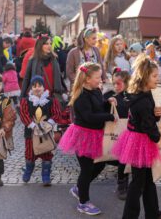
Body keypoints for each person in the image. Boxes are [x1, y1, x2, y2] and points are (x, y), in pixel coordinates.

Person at [111, 55, 161, 219]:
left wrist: (156, 116)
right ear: (145, 77)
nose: (158, 78)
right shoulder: (142, 100)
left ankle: (153, 212)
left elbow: (147, 118)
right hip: (141, 141)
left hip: (140, 139)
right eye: (154, 75)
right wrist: (157, 137)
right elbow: (147, 125)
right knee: (138, 183)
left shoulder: (144, 94)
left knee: (147, 179)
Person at [59, 62, 116, 215]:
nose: (101, 79)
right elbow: (89, 116)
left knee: (100, 164)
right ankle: (83, 202)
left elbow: (98, 105)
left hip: (95, 135)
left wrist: (107, 102)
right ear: (87, 79)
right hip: (83, 136)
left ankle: (79, 188)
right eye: (97, 77)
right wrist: (109, 116)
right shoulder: (80, 96)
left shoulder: (96, 90)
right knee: (86, 169)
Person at [19, 75, 62, 186]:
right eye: (34, 86)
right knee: (30, 152)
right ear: (31, 88)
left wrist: (49, 124)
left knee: (47, 152)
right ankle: (28, 170)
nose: (37, 88)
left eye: (40, 86)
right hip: (31, 133)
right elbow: (24, 115)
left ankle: (46, 174)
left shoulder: (50, 101)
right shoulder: (26, 101)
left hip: (46, 132)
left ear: (44, 87)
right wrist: (33, 125)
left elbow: (56, 114)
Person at [103, 68, 131, 200]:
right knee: (121, 158)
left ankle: (127, 182)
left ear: (126, 83)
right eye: (113, 83)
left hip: (130, 131)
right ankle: (122, 184)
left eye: (118, 83)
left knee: (126, 158)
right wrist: (108, 101)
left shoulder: (131, 96)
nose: (115, 86)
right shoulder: (110, 95)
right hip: (116, 132)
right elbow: (101, 106)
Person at [20, 34, 65, 98]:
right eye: (46, 44)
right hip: (37, 96)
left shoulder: (54, 59)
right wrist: (22, 95)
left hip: (52, 96)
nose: (49, 46)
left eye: (50, 43)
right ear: (40, 45)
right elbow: (26, 78)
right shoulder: (33, 60)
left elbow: (59, 78)